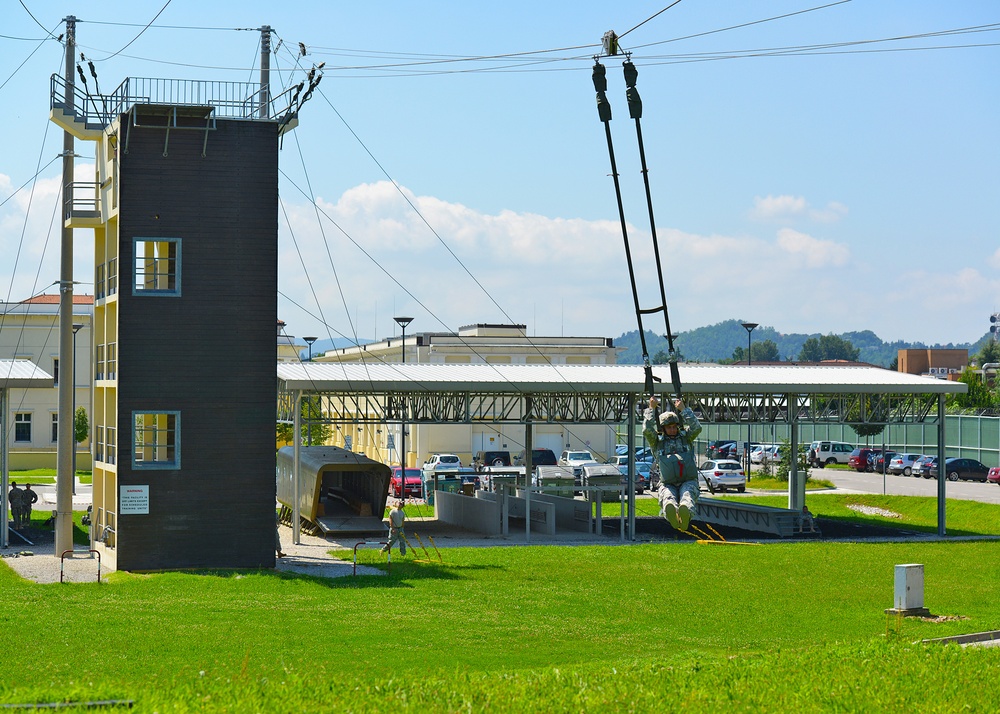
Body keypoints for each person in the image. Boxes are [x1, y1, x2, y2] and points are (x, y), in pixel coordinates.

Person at [643, 396, 702, 531]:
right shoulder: (657, 443)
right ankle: (672, 514)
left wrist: (683, 410)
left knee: (687, 496)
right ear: (663, 428)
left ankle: (685, 512)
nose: (672, 430)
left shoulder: (686, 438)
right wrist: (651, 409)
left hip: (688, 480)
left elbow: (697, 427)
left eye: (674, 427)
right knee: (667, 498)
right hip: (668, 483)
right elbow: (647, 430)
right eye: (669, 427)